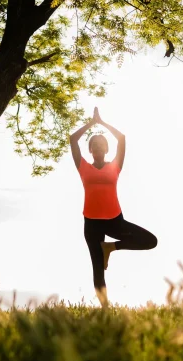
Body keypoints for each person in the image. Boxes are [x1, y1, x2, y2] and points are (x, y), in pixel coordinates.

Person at [69, 107, 157, 308]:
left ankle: (111, 247)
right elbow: (73, 140)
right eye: (95, 146)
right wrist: (92, 124)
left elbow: (122, 138)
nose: (99, 148)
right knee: (98, 269)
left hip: (115, 221)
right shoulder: (83, 167)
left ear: (107, 149)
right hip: (92, 224)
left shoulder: (115, 165)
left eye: (102, 145)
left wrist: (103, 123)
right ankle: (105, 310)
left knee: (150, 240)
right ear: (90, 150)